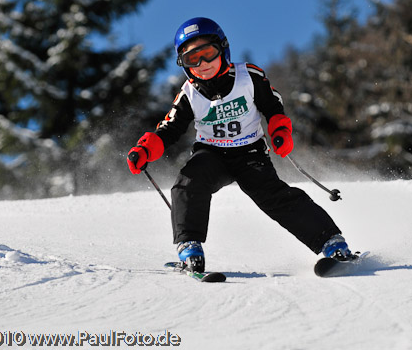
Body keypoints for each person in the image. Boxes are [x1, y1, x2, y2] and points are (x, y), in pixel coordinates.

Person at [127, 17, 355, 272]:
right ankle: (189, 248)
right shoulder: (189, 93)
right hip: (211, 153)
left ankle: (332, 242)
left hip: (249, 152)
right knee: (188, 183)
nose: (202, 64)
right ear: (184, 64)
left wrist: (280, 131)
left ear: (223, 49)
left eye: (208, 54)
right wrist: (146, 149)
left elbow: (273, 106)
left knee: (272, 195)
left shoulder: (248, 77)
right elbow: (170, 129)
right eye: (192, 59)